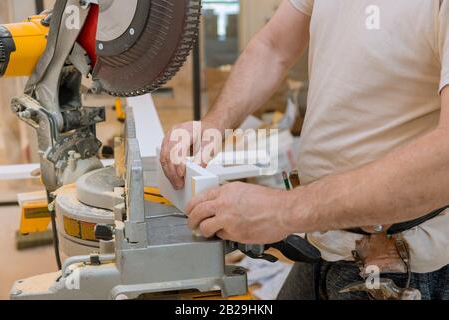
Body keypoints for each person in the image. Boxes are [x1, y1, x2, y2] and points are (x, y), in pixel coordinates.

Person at [160, 0, 449, 299]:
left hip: (397, 262)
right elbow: (274, 48)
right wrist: (213, 124)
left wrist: (281, 211)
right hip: (324, 242)